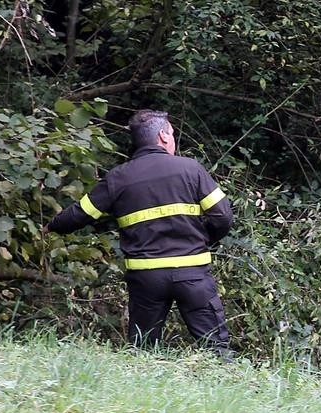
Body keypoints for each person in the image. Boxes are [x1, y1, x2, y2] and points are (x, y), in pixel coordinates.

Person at [44, 109, 234, 359]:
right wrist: (202, 239)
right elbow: (223, 217)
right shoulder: (191, 169)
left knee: (144, 353)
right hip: (193, 274)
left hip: (146, 279)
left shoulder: (118, 178)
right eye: (173, 134)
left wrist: (50, 227)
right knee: (216, 351)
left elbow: (80, 214)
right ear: (164, 136)